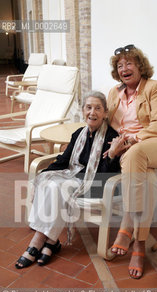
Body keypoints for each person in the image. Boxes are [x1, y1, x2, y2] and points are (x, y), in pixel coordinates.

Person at [15, 91, 120, 269]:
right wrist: (42, 175)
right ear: (83, 110)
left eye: (97, 108)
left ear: (105, 113)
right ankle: (50, 241)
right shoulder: (79, 133)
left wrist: (111, 155)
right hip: (74, 176)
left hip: (95, 184)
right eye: (88, 107)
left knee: (56, 187)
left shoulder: (111, 138)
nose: (92, 112)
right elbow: (64, 161)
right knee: (47, 182)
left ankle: (37, 242)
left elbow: (104, 175)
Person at [106, 44, 157, 279]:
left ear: (140, 66)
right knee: (148, 181)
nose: (124, 68)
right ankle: (139, 244)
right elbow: (108, 124)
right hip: (129, 151)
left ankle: (126, 227)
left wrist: (135, 138)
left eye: (129, 63)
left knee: (136, 154)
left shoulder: (155, 88)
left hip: (154, 142)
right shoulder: (113, 93)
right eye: (120, 65)